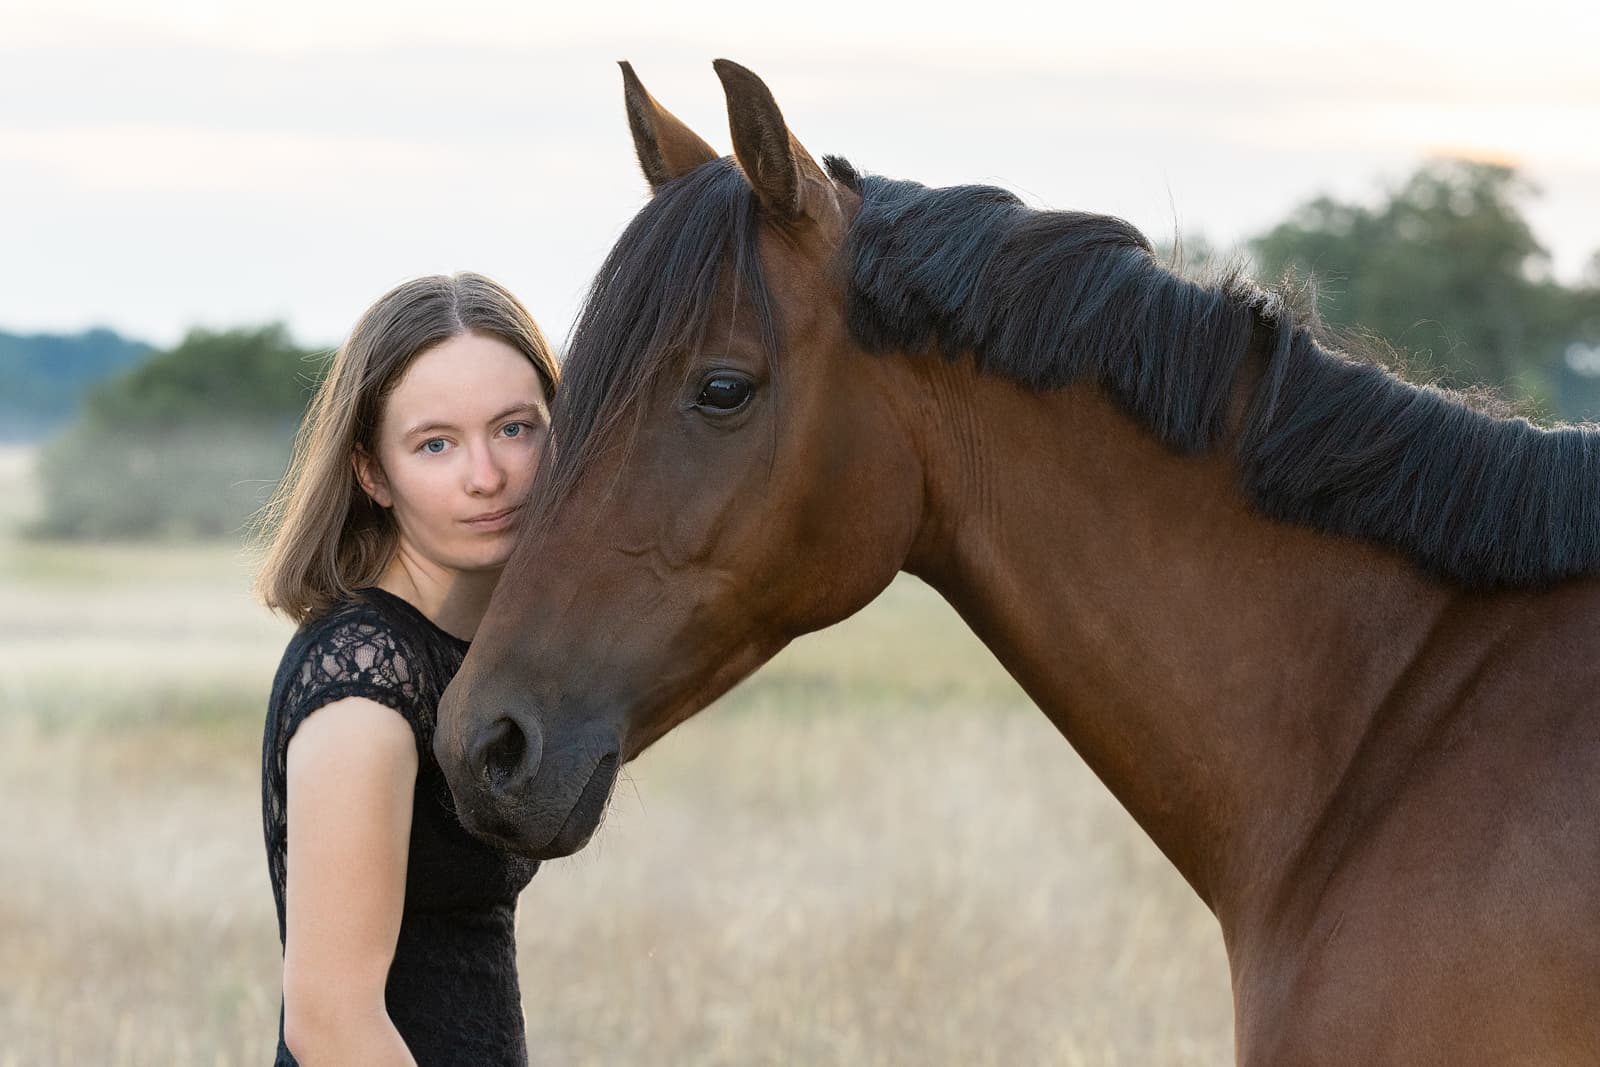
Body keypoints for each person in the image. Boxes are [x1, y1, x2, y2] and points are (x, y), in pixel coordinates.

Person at [253, 272, 559, 1066]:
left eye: (515, 429)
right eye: (436, 443)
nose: (486, 475)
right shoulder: (366, 680)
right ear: (372, 472)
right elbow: (329, 1023)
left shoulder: (478, 648)